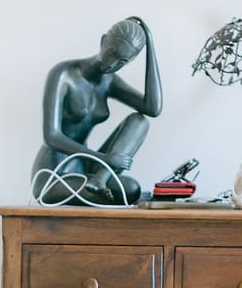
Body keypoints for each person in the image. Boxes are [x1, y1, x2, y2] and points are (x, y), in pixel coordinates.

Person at [31, 16, 162, 207]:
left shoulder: (109, 82)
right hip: (54, 174)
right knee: (130, 190)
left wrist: (150, 44)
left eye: (122, 61)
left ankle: (100, 179)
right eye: (112, 53)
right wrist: (103, 158)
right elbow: (51, 136)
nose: (111, 64)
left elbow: (152, 108)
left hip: (87, 170)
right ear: (103, 42)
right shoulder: (63, 74)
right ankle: (98, 180)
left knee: (139, 122)